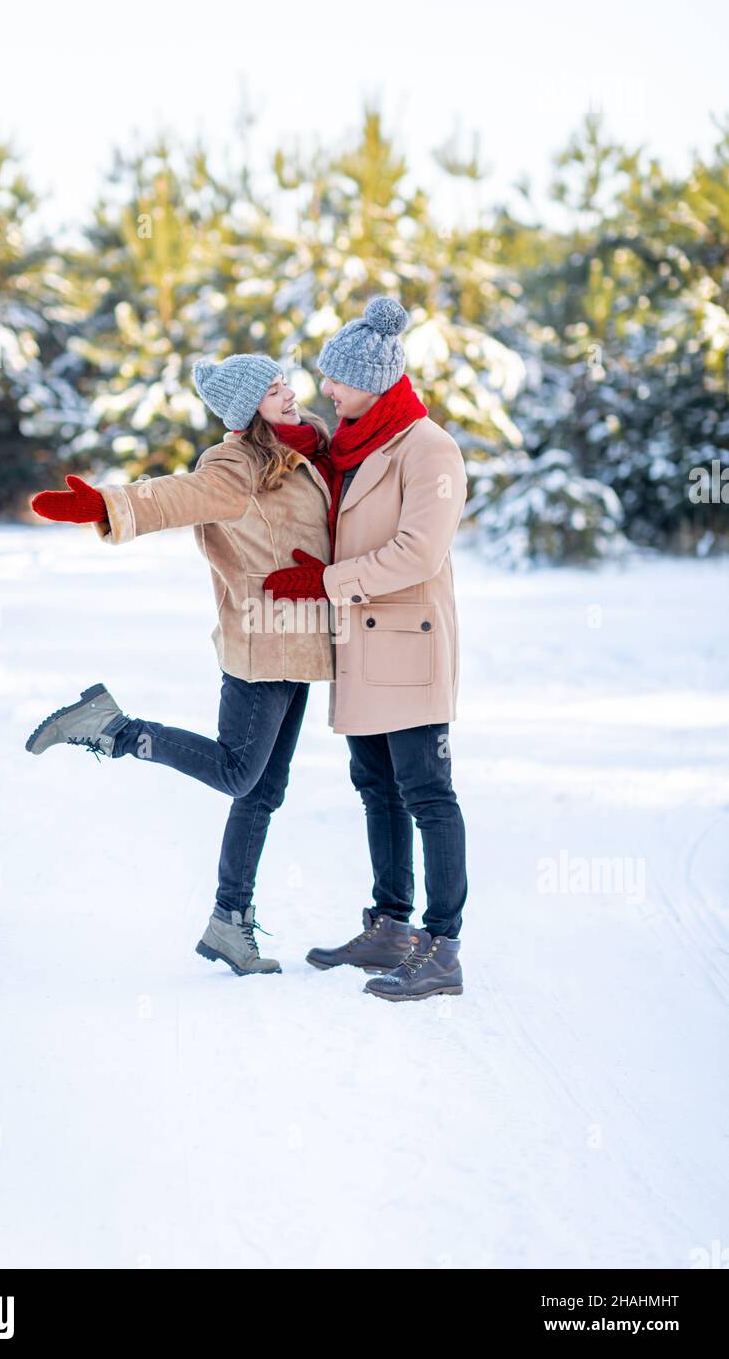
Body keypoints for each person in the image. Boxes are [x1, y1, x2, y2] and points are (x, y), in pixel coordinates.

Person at [25, 355, 335, 977]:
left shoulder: (304, 452)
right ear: (249, 409)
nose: (290, 395)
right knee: (237, 776)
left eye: (286, 384)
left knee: (263, 793)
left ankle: (229, 923)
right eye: (274, 391)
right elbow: (176, 496)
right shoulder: (236, 464)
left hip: (300, 643)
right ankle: (113, 728)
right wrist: (111, 506)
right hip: (261, 642)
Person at [263, 297, 469, 1002]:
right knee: (376, 790)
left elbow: (417, 552)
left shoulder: (429, 447)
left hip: (408, 647)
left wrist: (324, 582)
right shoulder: (357, 446)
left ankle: (442, 946)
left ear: (374, 383)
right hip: (362, 647)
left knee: (427, 794)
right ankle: (390, 925)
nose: (326, 390)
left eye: (337, 379)